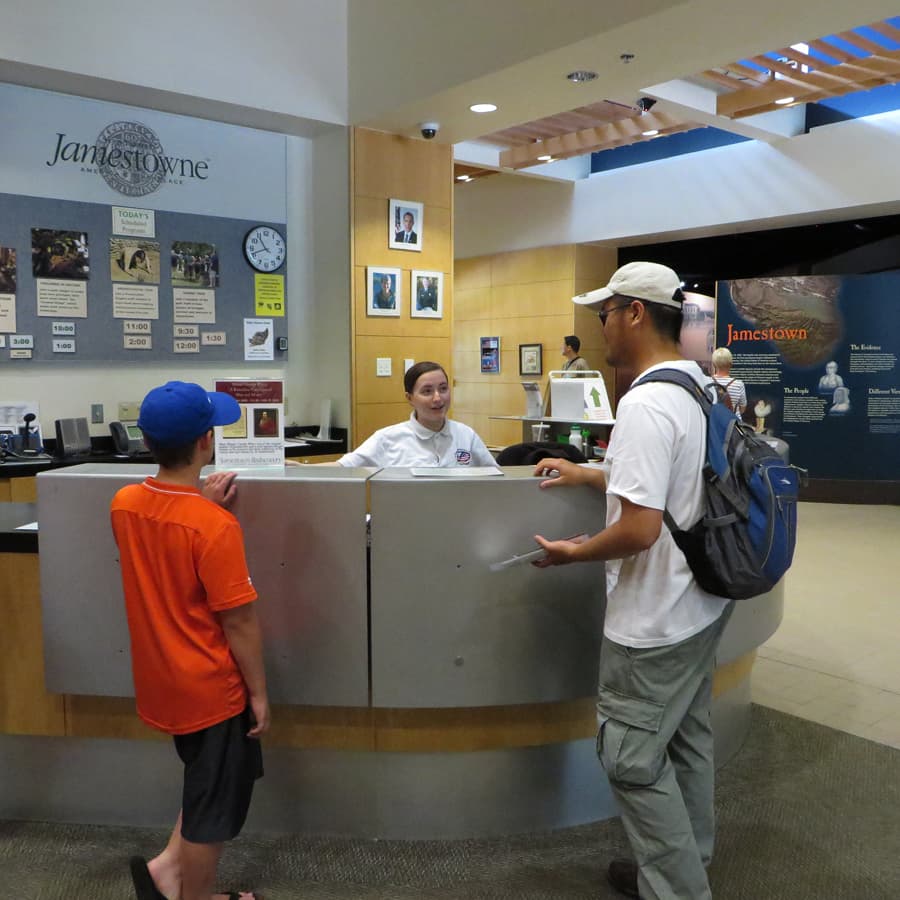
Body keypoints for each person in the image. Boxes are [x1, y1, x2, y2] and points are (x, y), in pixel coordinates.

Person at [531, 262, 734, 900]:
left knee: (632, 761)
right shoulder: (698, 386)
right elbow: (663, 483)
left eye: (606, 313)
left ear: (636, 314)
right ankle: (686, 861)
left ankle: (676, 888)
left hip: (653, 619)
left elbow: (640, 529)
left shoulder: (647, 400)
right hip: (701, 603)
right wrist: (586, 474)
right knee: (687, 738)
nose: (603, 327)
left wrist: (574, 552)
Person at [110, 381, 269, 900]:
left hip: (162, 680)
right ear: (206, 441)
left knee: (204, 783)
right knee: (213, 811)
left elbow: (166, 528)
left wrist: (200, 504)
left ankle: (166, 873)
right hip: (212, 688)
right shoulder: (214, 526)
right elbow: (239, 621)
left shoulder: (125, 503)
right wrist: (259, 695)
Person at [337, 361, 496, 467]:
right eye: (427, 391)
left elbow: (496, 479)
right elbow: (343, 468)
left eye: (443, 389)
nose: (437, 398)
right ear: (410, 398)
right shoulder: (387, 439)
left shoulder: (466, 435)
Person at [710, 346, 746, 415]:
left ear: (714, 364)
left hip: (715, 424)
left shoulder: (708, 382)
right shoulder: (739, 384)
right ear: (730, 364)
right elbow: (742, 408)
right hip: (733, 423)